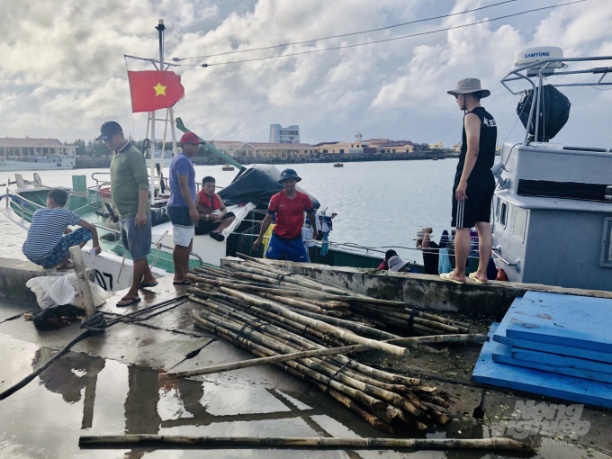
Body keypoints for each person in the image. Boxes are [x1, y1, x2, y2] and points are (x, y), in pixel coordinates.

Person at [441, 78, 497, 285]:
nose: (456, 100)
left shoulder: (471, 116)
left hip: (471, 178)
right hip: (487, 177)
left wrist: (463, 181)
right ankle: (482, 273)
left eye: (457, 96)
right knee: (483, 226)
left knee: (462, 226)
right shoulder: (490, 118)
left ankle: (459, 273)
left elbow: (473, 149)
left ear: (467, 96)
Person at [96, 121, 158, 307]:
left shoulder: (133, 155)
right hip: (123, 214)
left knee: (137, 254)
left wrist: (141, 212)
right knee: (134, 249)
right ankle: (148, 278)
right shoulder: (116, 155)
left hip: (134, 213)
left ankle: (133, 292)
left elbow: (142, 184)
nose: (107, 143)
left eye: (109, 139)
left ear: (119, 134)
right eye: (104, 140)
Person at [22, 188, 101, 269]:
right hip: (47, 259)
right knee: (86, 231)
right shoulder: (66, 214)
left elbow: (58, 229)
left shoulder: (38, 212)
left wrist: (68, 233)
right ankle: (62, 263)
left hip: (29, 254)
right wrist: (96, 245)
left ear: (50, 201)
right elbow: (91, 228)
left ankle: (61, 261)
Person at [252, 168, 318, 262]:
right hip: (278, 238)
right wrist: (259, 238)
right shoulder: (276, 198)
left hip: (296, 238)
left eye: (291, 181)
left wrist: (315, 230)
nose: (289, 184)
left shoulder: (304, 198)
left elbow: (311, 214)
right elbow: (268, 218)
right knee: (268, 262)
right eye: (286, 182)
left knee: (302, 265)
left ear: (295, 181)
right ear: (282, 183)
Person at [167, 132, 200, 285]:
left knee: (187, 242)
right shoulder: (182, 161)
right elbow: (183, 185)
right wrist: (192, 208)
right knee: (181, 243)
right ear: (185, 144)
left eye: (197, 144)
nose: (197, 147)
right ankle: (178, 275)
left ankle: (185, 272)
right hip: (181, 207)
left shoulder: (182, 160)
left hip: (181, 206)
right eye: (194, 144)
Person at [195, 176, 235, 241]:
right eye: (209, 186)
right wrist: (207, 216)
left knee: (231, 215)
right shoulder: (197, 196)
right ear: (203, 186)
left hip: (211, 221)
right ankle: (215, 229)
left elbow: (224, 209)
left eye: (213, 186)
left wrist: (220, 215)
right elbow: (191, 214)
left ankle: (216, 231)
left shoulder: (216, 196)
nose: (211, 189)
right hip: (199, 225)